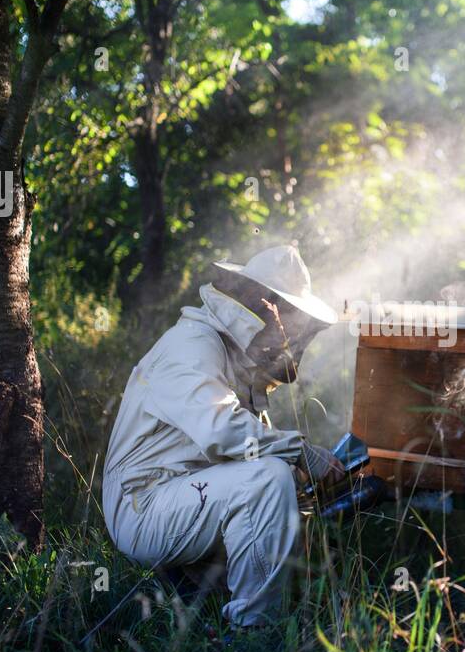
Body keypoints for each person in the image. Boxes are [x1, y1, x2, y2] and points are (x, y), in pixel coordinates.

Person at [101, 245, 343, 628]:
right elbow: (222, 431)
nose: (289, 333)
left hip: (178, 497)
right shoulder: (192, 346)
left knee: (277, 482)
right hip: (143, 508)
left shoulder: (230, 356)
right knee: (267, 481)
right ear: (259, 305)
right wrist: (299, 453)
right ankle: (253, 635)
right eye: (286, 317)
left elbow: (242, 449)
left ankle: (209, 593)